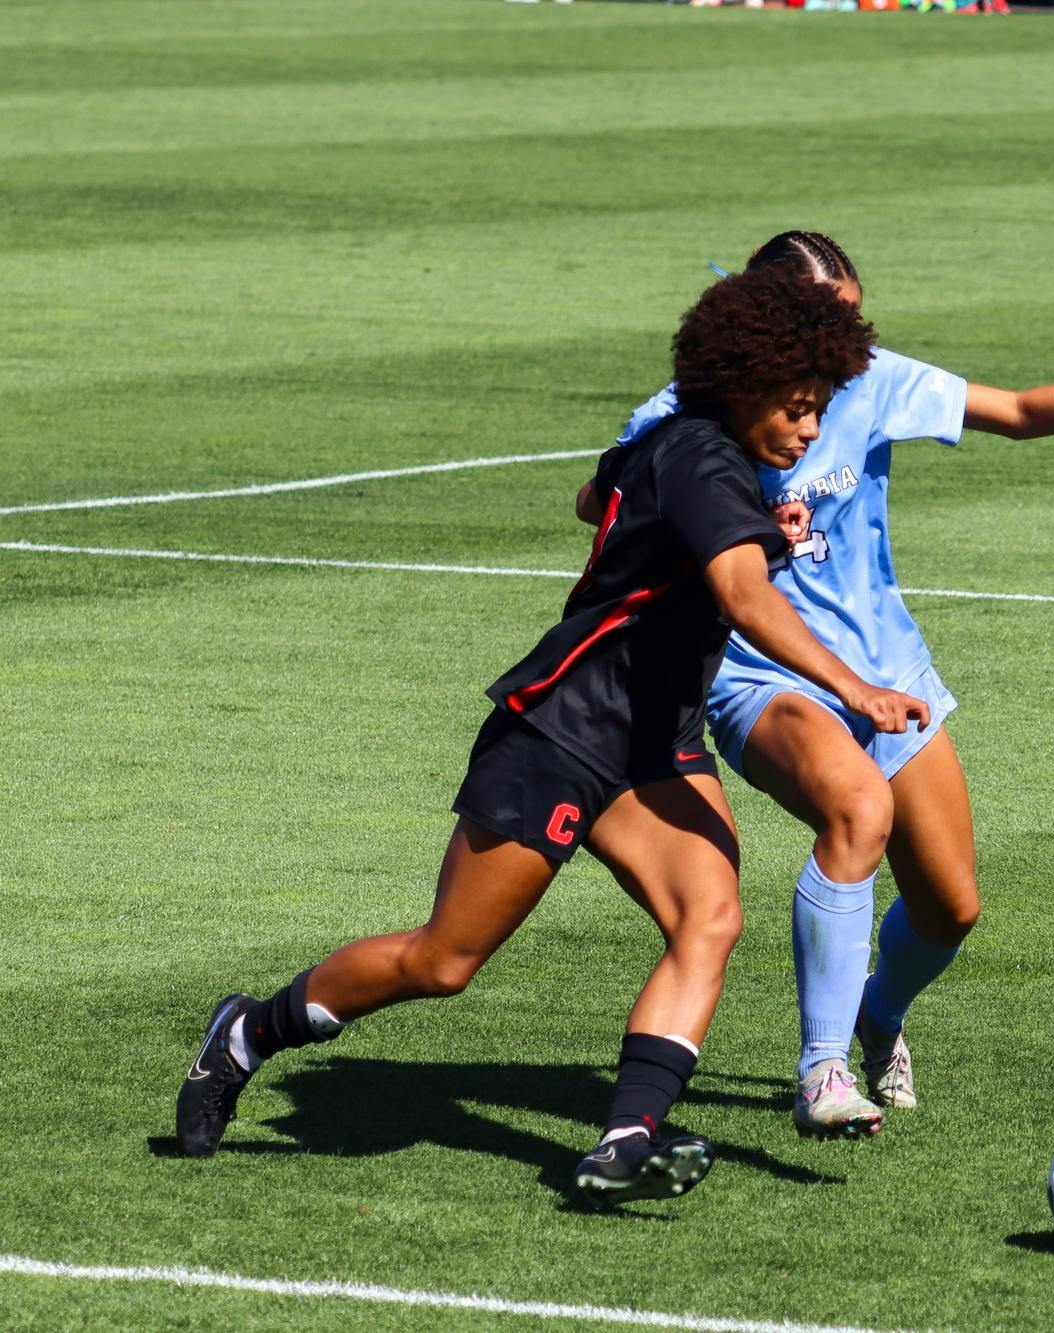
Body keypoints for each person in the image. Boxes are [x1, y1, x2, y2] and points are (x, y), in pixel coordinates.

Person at [175, 267, 931, 1206]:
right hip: (564, 732)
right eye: (797, 407)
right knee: (443, 960)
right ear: (742, 384)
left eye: (819, 408)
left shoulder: (683, 451)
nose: (812, 429)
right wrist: (857, 688)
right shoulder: (702, 459)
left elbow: (593, 496)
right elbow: (741, 594)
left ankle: (624, 1139)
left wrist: (726, 522)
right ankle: (247, 1034)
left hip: (655, 743)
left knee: (710, 914)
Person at [581, 231, 1054, 1138]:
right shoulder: (692, 412)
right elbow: (598, 503)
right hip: (762, 679)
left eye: (858, 319)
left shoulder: (871, 380)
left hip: (891, 673)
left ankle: (878, 1017)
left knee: (951, 904)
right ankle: (823, 1068)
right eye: (833, 321)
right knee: (856, 809)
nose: (853, 339)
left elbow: (1020, 409)